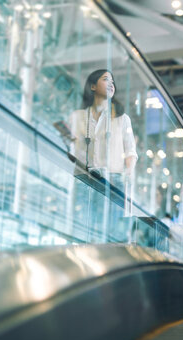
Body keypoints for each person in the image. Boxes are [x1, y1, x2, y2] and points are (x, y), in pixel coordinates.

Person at [68, 70, 138, 241]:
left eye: (113, 81)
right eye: (106, 79)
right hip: (84, 179)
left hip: (113, 181)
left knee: (112, 235)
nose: (111, 84)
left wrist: (127, 175)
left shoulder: (122, 119)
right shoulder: (77, 117)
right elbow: (70, 147)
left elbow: (130, 152)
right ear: (92, 86)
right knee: (81, 232)